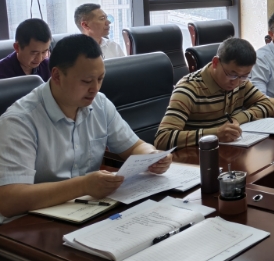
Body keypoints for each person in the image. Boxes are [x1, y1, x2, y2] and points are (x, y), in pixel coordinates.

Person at [0, 35, 171, 220]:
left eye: (100, 79)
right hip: (32, 222)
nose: (95, 88)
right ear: (57, 76)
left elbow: (134, 146)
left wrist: (152, 155)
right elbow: (9, 200)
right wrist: (82, 186)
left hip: (87, 211)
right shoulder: (20, 121)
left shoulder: (99, 104)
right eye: (86, 81)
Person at [154, 37, 274, 150]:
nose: (236, 82)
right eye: (232, 75)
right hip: (198, 156)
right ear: (215, 62)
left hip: (229, 151)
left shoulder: (241, 81)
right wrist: (215, 134)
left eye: (244, 76)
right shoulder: (188, 89)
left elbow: (266, 104)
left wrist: (237, 119)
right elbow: (163, 138)